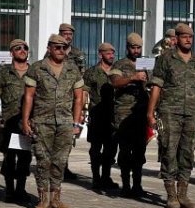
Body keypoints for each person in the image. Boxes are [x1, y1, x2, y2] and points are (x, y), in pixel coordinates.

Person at [148, 23, 195, 208]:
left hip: (192, 114)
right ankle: (171, 195)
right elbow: (156, 86)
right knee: (169, 151)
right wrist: (150, 112)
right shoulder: (166, 59)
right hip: (169, 113)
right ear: (177, 38)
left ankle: (183, 194)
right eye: (184, 36)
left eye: (191, 36)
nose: (188, 39)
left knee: (188, 153)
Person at [22, 34, 84, 208]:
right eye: (57, 47)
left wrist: (76, 123)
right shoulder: (37, 68)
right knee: (43, 161)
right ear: (49, 48)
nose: (61, 51)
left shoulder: (73, 69)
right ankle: (42, 200)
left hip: (64, 122)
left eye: (64, 48)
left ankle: (55, 199)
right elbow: (29, 96)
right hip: (42, 122)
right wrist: (26, 120)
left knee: (60, 161)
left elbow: (79, 98)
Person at [0, 39, 32, 203]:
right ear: (11, 53)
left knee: (25, 157)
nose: (22, 50)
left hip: (27, 123)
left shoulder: (34, 71)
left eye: (25, 48)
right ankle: (9, 190)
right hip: (8, 123)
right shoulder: (4, 72)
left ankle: (20, 189)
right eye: (18, 48)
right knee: (9, 157)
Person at [108, 33, 148, 197]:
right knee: (125, 150)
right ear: (127, 48)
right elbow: (115, 82)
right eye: (133, 47)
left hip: (140, 113)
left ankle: (137, 185)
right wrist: (133, 77)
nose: (136, 51)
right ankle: (125, 185)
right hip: (124, 113)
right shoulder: (120, 64)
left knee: (140, 151)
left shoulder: (145, 63)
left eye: (139, 47)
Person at [83, 43, 119, 190]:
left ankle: (106, 177)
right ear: (100, 54)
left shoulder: (117, 72)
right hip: (97, 114)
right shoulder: (92, 72)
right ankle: (96, 178)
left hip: (113, 115)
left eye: (113, 53)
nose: (111, 56)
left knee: (111, 148)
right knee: (96, 148)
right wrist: (83, 111)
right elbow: (84, 92)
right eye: (108, 53)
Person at [57, 23, 86, 180]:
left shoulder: (77, 54)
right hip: (55, 98)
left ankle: (64, 166)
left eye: (70, 34)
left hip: (72, 98)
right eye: (65, 33)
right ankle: (55, 167)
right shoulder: (54, 51)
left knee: (69, 136)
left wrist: (81, 107)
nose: (67, 36)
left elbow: (82, 77)